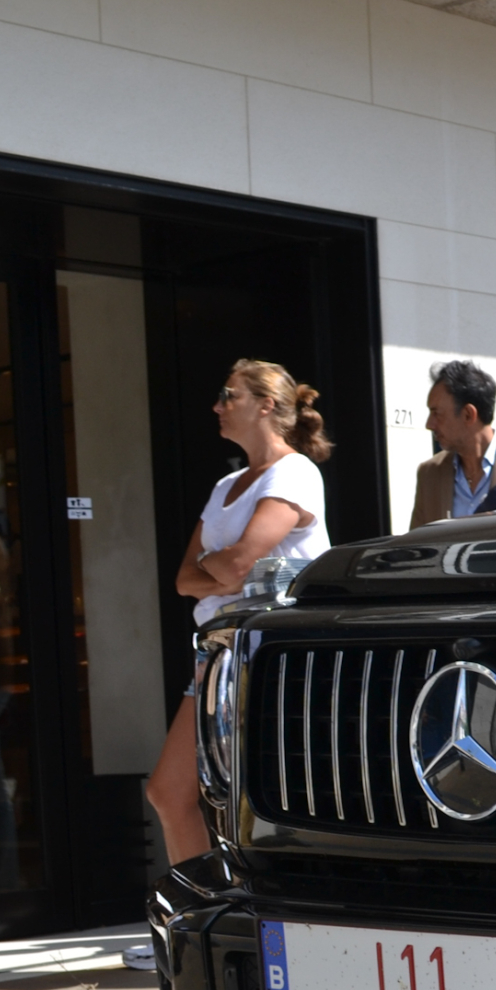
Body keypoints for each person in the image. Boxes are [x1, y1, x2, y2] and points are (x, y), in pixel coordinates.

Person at [145, 361, 333, 866]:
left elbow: (238, 563)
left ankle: (259, 919)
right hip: (215, 656)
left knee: (257, 804)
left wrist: (220, 568)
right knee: (169, 792)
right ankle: (198, 916)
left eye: (230, 395)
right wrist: (220, 570)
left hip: (268, 661)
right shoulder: (226, 485)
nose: (218, 406)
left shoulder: (295, 472)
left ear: (266, 405)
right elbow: (187, 578)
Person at [408, 359, 496, 527]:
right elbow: (418, 546)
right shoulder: (430, 473)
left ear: (468, 415)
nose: (429, 424)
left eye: (437, 413)